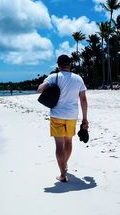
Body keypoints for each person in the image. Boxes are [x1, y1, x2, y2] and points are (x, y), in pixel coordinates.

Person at [37, 54, 89, 182]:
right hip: (72, 116)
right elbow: (83, 99)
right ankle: (64, 164)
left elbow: (39, 90)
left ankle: (62, 174)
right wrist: (85, 118)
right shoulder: (78, 79)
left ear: (58, 65)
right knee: (69, 142)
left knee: (59, 145)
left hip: (57, 115)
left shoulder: (54, 77)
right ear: (70, 64)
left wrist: (47, 84)